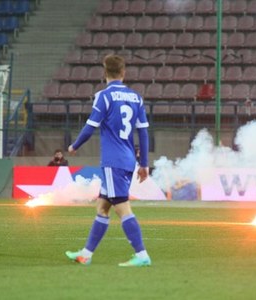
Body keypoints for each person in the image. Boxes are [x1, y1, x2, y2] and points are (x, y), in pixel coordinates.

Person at [65, 54, 151, 267]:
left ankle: (142, 254)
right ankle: (86, 254)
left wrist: (74, 145)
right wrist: (145, 164)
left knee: (122, 207)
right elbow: (144, 133)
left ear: (104, 73)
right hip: (128, 159)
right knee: (102, 206)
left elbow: (90, 126)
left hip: (113, 161)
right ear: (124, 73)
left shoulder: (103, 96)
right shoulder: (136, 97)